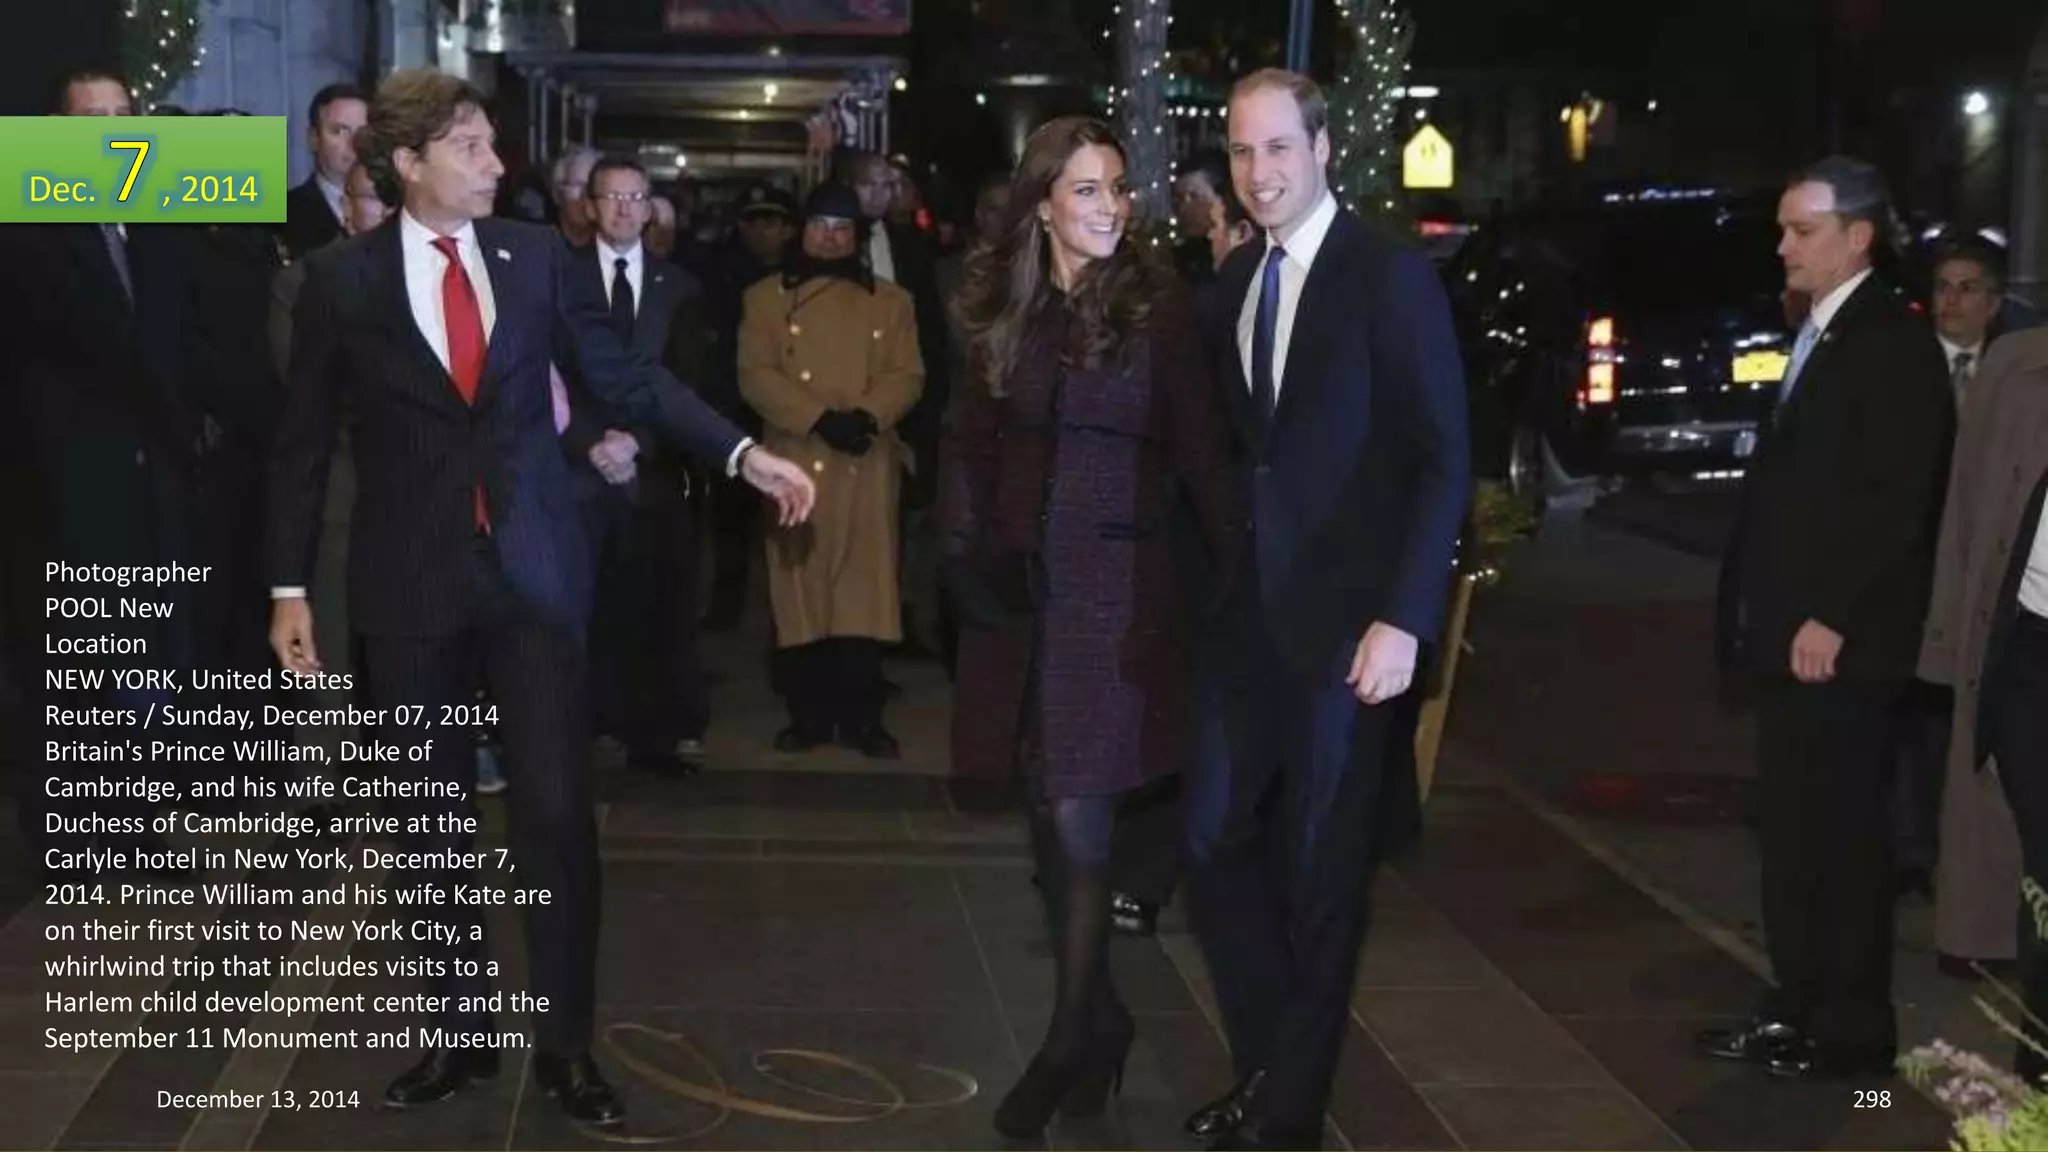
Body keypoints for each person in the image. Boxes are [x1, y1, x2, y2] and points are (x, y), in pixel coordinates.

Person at [264, 69, 815, 1127]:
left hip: (532, 577)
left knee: (556, 818)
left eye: (492, 144)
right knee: (427, 825)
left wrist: (743, 454)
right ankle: (456, 1036)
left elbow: (630, 380)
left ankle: (566, 1047)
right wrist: (289, 587)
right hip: (408, 584)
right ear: (411, 160)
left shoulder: (533, 264)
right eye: (470, 146)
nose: (496, 164)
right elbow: (297, 448)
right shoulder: (343, 280)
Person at [1181, 70, 1469, 1151]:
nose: (1258, 173)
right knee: (1208, 840)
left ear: (1321, 148)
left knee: (1318, 875)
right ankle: (1268, 1066)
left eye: (1277, 151)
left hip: (1354, 635)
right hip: (1244, 623)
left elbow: (1444, 459)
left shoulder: (1386, 274)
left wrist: (1406, 616)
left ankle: (1286, 1111)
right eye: (1243, 154)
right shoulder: (1236, 282)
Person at [942, 115, 1240, 1139]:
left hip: (1122, 601)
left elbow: (1204, 457)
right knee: (1047, 817)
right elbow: (966, 447)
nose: (1109, 205)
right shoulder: (995, 309)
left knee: (1077, 817)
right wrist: (964, 558)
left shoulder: (1158, 312)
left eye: (1116, 186)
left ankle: (1072, 1036)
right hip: (1025, 600)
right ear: (1040, 205)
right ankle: (1097, 1019)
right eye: (1085, 189)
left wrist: (1245, 588)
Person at [1704, 156, 1953, 1081]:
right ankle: (1796, 1007)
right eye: (1782, 229)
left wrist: (1831, 616)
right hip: (1790, 635)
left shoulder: (1890, 342)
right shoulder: (1820, 331)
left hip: (1839, 645)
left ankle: (1853, 1050)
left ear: (1858, 237)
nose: (1784, 247)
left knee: (1842, 841)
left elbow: (1895, 502)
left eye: (1801, 230)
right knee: (1794, 833)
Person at [739, 183, 924, 756]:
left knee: (865, 593)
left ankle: (864, 718)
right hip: (795, 462)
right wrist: (818, 418)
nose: (831, 236)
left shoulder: (893, 302)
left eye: (843, 228)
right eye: (820, 224)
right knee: (799, 591)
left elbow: (908, 373)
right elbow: (755, 373)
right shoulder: (765, 298)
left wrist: (868, 416)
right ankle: (808, 716)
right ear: (802, 230)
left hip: (865, 462)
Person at [1920, 319, 2048, 1083]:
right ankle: (2037, 1070)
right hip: (2029, 655)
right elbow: (1964, 515)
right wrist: (1942, 644)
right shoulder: (2018, 367)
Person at [560, 155, 714, 774]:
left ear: (651, 209)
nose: (624, 208)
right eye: (612, 197)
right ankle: (589, 726)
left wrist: (637, 444)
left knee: (660, 604)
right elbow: (550, 377)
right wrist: (592, 442)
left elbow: (688, 381)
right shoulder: (558, 280)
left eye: (636, 197)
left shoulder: (678, 289)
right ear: (590, 207)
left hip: (655, 474)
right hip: (577, 471)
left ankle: (660, 733)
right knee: (586, 605)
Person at [1914, 235, 2020, 975]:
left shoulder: (2015, 378)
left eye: (1968, 288)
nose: (1953, 301)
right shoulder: (1914, 370)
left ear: (1994, 300)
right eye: (1943, 286)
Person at [280, 84, 368, 259]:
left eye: (363, 132)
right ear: (313, 138)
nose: (354, 143)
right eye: (339, 131)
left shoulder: (395, 209)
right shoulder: (284, 214)